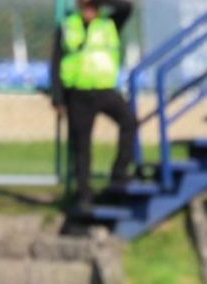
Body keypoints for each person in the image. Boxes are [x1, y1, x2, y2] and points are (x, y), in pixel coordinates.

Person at [50, 0, 136, 211]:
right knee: (81, 145)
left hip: (105, 90)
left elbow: (127, 7)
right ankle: (84, 194)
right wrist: (58, 98)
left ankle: (119, 173)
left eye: (93, 6)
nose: (89, 10)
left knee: (129, 122)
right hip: (78, 93)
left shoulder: (110, 23)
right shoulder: (67, 26)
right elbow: (56, 61)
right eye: (86, 5)